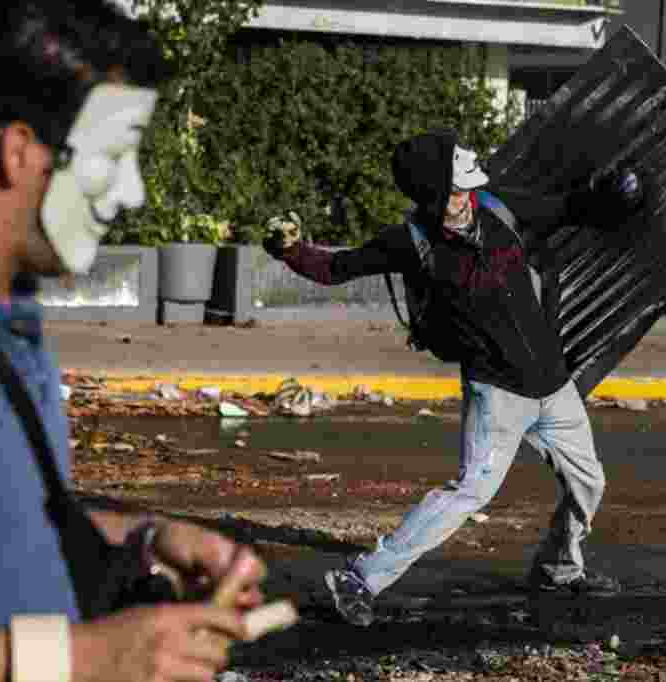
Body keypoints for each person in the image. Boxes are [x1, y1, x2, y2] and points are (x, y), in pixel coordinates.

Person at [0, 3, 274, 681]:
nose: (130, 191)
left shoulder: (2, 315)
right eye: (113, 155)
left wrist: (149, 543)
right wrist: (79, 659)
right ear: (17, 152)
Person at [264, 128, 643, 626]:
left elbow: (566, 208)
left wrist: (607, 197)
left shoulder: (497, 208)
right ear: (432, 193)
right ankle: (360, 579)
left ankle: (559, 566)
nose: (468, 198)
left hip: (554, 384)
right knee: (468, 494)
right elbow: (338, 267)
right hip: (498, 394)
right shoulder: (411, 242)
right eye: (457, 190)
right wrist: (292, 249)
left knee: (588, 483)